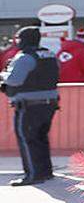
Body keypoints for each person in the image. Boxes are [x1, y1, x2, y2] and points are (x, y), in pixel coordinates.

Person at [1, 25, 59, 186]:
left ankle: (33, 175)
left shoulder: (24, 57)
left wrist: (3, 74)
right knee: (40, 138)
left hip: (29, 106)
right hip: (49, 104)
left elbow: (14, 79)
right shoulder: (49, 54)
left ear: (24, 40)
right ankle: (45, 172)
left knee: (28, 139)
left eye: (18, 39)